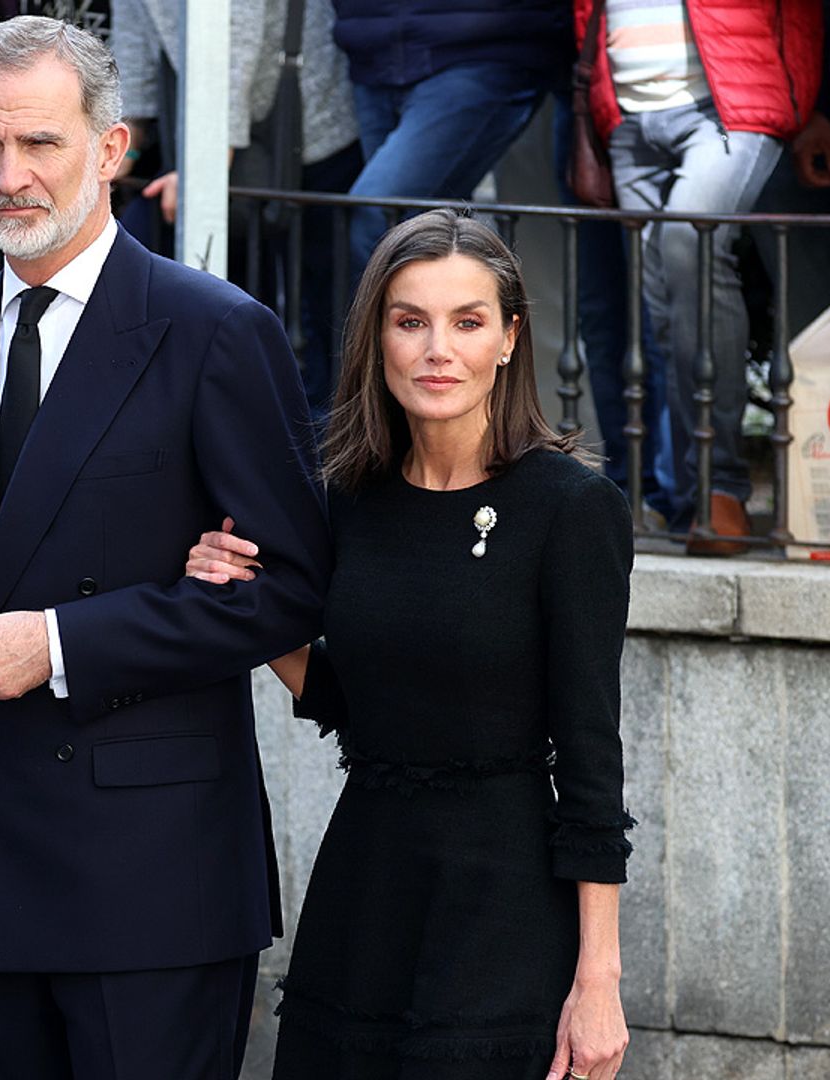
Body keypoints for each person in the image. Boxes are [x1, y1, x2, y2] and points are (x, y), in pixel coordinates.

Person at [0, 16, 332, 1080]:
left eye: (40, 144)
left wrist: (58, 643)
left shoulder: (214, 332)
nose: (8, 175)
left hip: (158, 881)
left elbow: (291, 591)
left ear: (111, 150)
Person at [185, 209, 635, 1080]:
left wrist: (599, 978)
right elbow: (349, 696)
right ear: (377, 340)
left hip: (501, 903)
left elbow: (591, 757)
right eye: (410, 321)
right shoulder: (349, 497)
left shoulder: (570, 509)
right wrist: (241, 603)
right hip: (365, 888)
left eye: (467, 322)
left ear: (509, 339)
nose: (439, 349)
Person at [577, 0, 821, 554]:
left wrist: (803, 104)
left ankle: (723, 491)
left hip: (728, 104)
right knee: (665, 313)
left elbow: (802, 15)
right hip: (629, 120)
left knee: (692, 239)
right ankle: (695, 499)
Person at [111, 0, 363, 411]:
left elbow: (235, 46)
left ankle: (329, 447)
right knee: (242, 301)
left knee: (323, 301)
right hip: (219, 141)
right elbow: (136, 49)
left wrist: (204, 171)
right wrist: (127, 150)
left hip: (311, 126)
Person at [331, 0, 571, 281]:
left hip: (484, 47)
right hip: (372, 52)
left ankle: (386, 324)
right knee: (420, 233)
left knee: (378, 217)